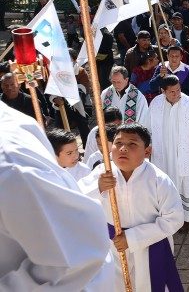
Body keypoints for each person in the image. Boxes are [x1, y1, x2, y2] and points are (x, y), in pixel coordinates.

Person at [0, 101, 115, 290]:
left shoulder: (12, 164)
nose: (75, 156)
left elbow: (76, 253)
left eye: (76, 151)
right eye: (69, 152)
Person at [78, 123, 183, 291]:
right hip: (112, 245)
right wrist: (97, 187)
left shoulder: (159, 180)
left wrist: (132, 238)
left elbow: (174, 218)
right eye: (118, 143)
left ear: (147, 151)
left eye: (132, 144)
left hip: (149, 246)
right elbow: (77, 199)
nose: (123, 149)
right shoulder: (102, 173)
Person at [149, 75, 189, 231]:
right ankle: (166, 216)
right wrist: (148, 147)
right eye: (172, 92)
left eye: (178, 90)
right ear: (163, 91)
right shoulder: (155, 103)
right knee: (163, 183)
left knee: (186, 182)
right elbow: (148, 127)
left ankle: (186, 220)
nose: (176, 94)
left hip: (184, 152)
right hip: (162, 152)